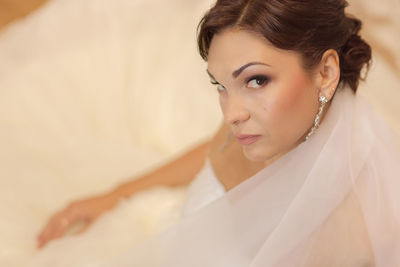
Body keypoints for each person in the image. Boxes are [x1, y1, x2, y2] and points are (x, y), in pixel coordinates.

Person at [39, 0, 400, 265]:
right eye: (222, 85)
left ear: (325, 73)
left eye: (257, 80)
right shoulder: (262, 127)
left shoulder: (350, 231)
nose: (230, 114)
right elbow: (215, 151)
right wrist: (117, 194)